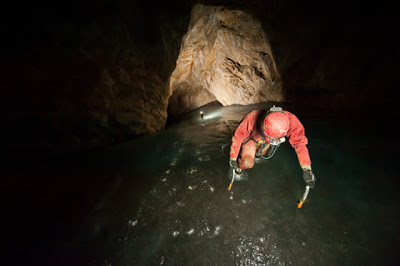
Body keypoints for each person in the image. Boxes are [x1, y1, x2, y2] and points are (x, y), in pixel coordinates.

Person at [229, 106, 316, 188]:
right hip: (251, 137)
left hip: (266, 140)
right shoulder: (252, 118)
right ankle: (238, 169)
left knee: (262, 152)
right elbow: (238, 137)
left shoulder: (291, 121)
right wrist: (233, 159)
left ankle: (258, 153)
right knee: (247, 163)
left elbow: (299, 144)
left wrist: (307, 169)